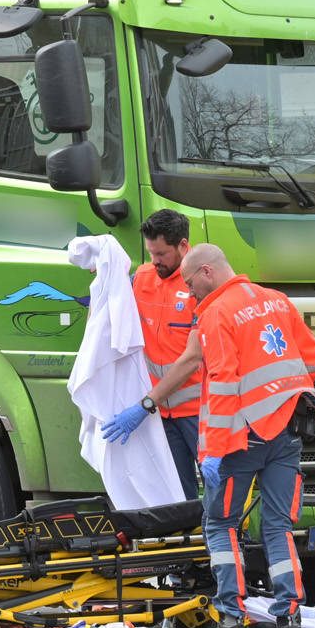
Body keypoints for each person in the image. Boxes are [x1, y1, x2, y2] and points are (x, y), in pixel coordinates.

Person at [182, 244, 315, 628]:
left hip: (241, 439)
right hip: (287, 433)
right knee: (279, 526)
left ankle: (231, 622)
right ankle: (290, 621)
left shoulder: (215, 313)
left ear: (207, 271)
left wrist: (212, 449)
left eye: (191, 283)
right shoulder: (276, 300)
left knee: (220, 524)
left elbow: (224, 384)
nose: (191, 293)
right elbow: (312, 359)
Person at [99, 210, 204, 494]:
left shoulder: (201, 284)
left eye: (161, 254)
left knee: (220, 493)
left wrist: (145, 405)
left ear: (183, 246)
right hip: (161, 414)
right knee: (177, 496)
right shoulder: (142, 278)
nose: (155, 261)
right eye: (151, 253)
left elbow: (193, 359)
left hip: (199, 413)